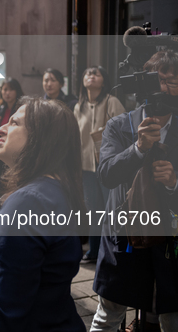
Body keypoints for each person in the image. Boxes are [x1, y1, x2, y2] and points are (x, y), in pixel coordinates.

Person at [0, 97, 85, 332]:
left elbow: (9, 311)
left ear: (40, 138)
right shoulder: (46, 192)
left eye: (14, 123)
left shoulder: (30, 201)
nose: (1, 128)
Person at [91, 50, 178, 332]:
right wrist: (138, 148)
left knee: (171, 316)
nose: (164, 88)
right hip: (125, 234)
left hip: (169, 240)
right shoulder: (120, 125)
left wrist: (173, 183)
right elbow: (106, 176)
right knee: (109, 313)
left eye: (173, 81)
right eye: (159, 80)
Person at [73, 67, 125, 264]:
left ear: (104, 81)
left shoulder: (112, 101)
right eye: (87, 73)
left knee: (111, 209)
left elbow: (123, 131)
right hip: (86, 167)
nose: (91, 76)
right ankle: (94, 251)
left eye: (97, 73)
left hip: (108, 166)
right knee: (93, 210)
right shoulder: (79, 106)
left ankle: (112, 251)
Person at [0, 78, 24, 196]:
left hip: (15, 154)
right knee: (2, 186)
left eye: (10, 90)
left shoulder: (20, 110)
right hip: (1, 154)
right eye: (4, 90)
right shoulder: (0, 110)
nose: (7, 93)